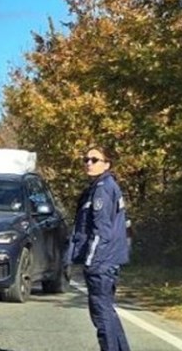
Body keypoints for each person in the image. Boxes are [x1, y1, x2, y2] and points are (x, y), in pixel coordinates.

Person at [67, 147, 130, 351]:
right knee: (107, 312)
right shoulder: (103, 187)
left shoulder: (102, 189)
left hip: (101, 261)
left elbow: (101, 230)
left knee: (101, 314)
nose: (89, 163)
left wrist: (91, 260)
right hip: (108, 259)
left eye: (95, 159)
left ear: (107, 164)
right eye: (86, 159)